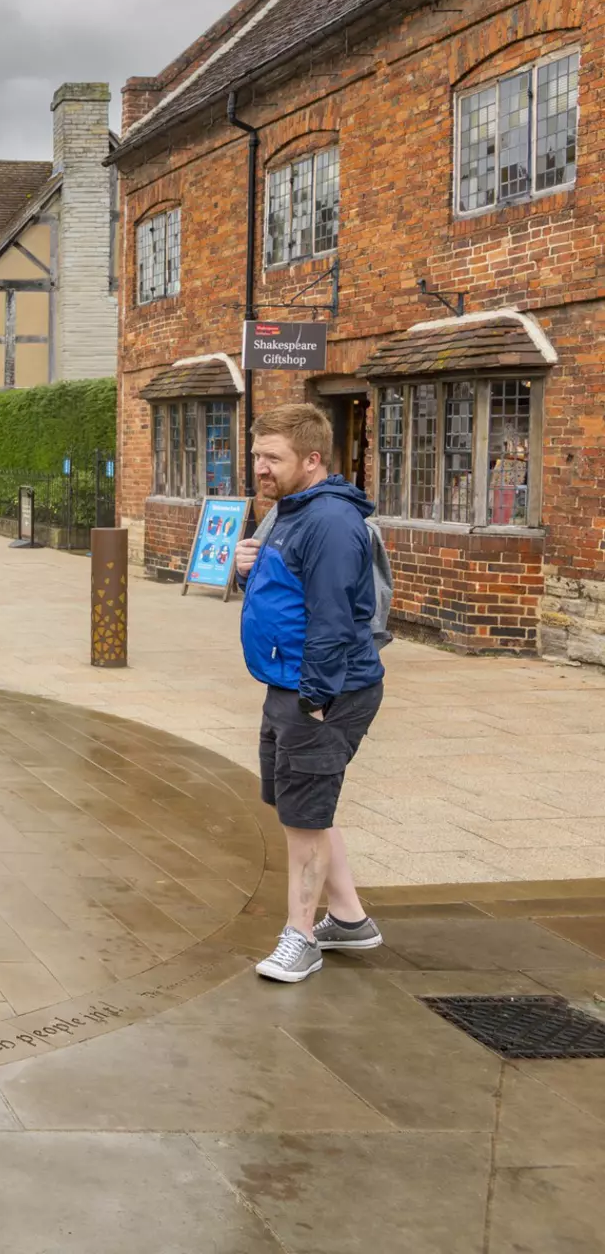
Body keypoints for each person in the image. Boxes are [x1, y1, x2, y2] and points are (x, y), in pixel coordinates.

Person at [233, 403, 387, 984]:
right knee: (302, 810)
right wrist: (249, 568)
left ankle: (301, 937)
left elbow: (332, 617)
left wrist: (316, 697)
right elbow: (288, 592)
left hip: (320, 690)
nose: (260, 468)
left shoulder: (327, 522)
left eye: (273, 457)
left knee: (304, 815)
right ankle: (349, 919)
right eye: (257, 455)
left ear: (312, 459)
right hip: (292, 684)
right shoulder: (292, 512)